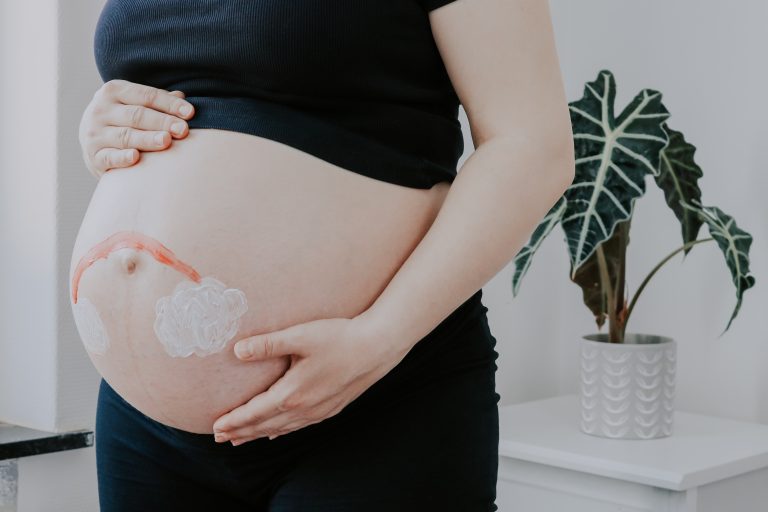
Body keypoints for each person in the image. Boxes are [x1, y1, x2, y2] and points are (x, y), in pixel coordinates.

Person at [74, 0, 574, 510]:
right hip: (148, 429)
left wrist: (378, 339)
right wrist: (101, 125)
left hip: (375, 401)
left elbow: (533, 145)